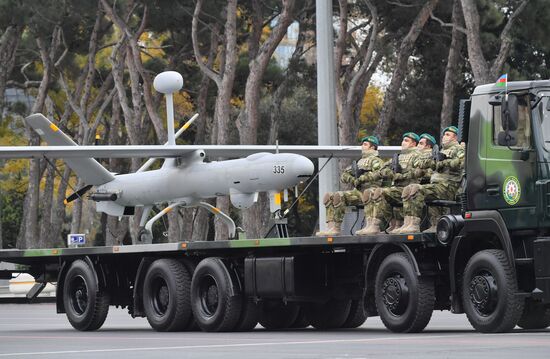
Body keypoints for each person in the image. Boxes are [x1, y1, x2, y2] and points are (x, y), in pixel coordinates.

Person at [395, 126, 465, 233]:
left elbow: (462, 162)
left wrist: (444, 162)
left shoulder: (459, 148)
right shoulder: (440, 150)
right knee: (409, 189)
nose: (444, 137)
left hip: (449, 186)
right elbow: (425, 164)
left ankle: (414, 225)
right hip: (438, 185)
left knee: (416, 189)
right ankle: (412, 223)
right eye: (444, 134)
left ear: (455, 137)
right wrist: (432, 162)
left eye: (448, 135)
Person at [316, 135, 387, 236]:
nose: (362, 146)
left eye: (365, 144)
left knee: (367, 193)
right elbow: (344, 175)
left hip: (371, 191)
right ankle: (333, 228)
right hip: (358, 192)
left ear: (372, 147)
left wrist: (363, 178)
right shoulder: (359, 162)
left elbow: (379, 174)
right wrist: (353, 179)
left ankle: (371, 226)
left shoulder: (376, 161)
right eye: (362, 144)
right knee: (332, 196)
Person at [356, 132, 425, 235]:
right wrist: (391, 172)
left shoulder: (417, 156)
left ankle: (407, 224)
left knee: (381, 192)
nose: (403, 143)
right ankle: (376, 225)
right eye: (403, 140)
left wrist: (401, 175)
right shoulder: (399, 156)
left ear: (413, 144)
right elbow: (383, 169)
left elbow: (420, 172)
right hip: (397, 188)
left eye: (406, 141)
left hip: (410, 187)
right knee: (375, 192)